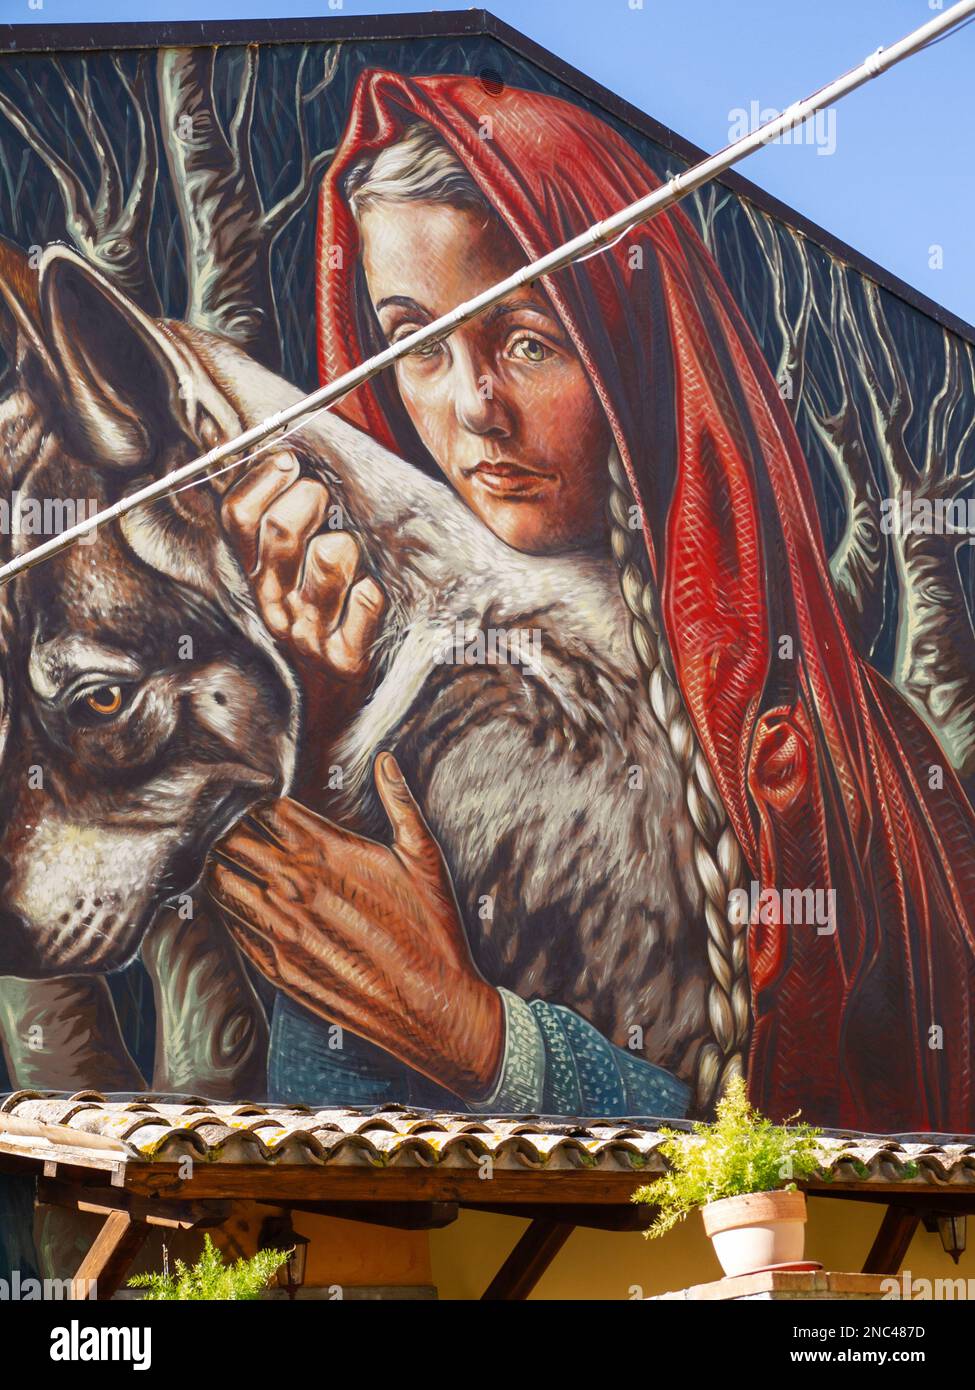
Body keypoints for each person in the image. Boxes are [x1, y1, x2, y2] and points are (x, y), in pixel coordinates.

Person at [209, 71, 975, 1131]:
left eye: (528, 340)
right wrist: (327, 729)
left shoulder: (837, 753)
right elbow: (334, 1171)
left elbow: (807, 1169)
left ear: (633, 347)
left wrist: (488, 1041)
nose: (476, 409)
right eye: (417, 345)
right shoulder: (366, 671)